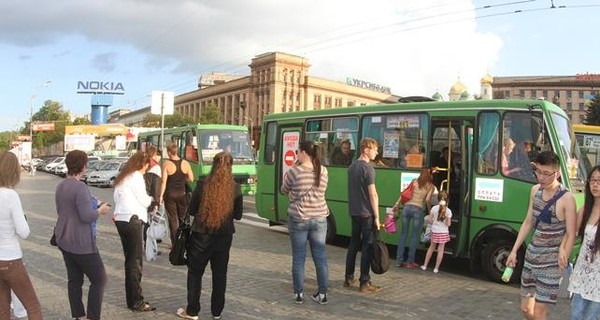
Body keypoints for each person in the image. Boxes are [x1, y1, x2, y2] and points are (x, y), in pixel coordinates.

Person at [506, 151, 576, 320]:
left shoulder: (567, 198)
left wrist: (563, 251)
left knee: (539, 313)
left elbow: (572, 232)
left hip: (551, 264)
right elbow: (528, 222)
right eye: (538, 172)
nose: (541, 177)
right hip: (531, 258)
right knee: (525, 309)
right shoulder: (534, 190)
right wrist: (514, 250)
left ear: (557, 173)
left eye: (547, 174)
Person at [176, 152, 243, 320]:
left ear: (213, 165)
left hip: (201, 235)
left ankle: (192, 311)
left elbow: (191, 210)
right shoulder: (235, 187)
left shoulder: (203, 184)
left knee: (195, 273)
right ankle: (217, 311)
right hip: (224, 236)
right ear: (230, 166)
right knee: (220, 274)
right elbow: (238, 215)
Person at [54, 150, 110, 320]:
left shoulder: (61, 185)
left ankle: (79, 315)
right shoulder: (80, 187)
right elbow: (86, 216)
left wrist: (91, 203)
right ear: (83, 166)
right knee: (100, 279)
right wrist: (100, 210)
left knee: (74, 280)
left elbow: (65, 210)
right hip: (82, 242)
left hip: (64, 239)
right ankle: (93, 316)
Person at [281, 141, 329, 305]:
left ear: (303, 153)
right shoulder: (323, 170)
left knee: (299, 257)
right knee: (320, 258)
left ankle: (299, 294)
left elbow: (284, 189)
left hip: (299, 218)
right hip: (320, 218)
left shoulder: (295, 171)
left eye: (297, 151)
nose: (296, 154)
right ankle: (322, 294)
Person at [0, 151, 43, 320]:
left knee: (2, 308)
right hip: (11, 259)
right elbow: (24, 232)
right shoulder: (11, 196)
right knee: (33, 307)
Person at [113, 151, 155, 312]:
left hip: (121, 219)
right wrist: (152, 200)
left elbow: (117, 198)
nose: (147, 169)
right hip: (133, 220)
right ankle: (137, 301)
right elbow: (144, 200)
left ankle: (132, 299)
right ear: (142, 164)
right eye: (147, 165)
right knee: (135, 263)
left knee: (129, 261)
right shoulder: (136, 176)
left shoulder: (123, 176)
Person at [344, 137, 382, 293]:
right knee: (367, 247)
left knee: (353, 245)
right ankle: (364, 282)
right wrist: (377, 217)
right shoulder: (368, 169)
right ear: (366, 150)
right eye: (374, 149)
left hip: (354, 212)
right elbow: (373, 195)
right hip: (366, 214)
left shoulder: (352, 167)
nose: (377, 152)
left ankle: (348, 276)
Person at [567, 165, 600, 320]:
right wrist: (562, 251)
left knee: (591, 317)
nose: (595, 184)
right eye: (592, 180)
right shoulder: (584, 210)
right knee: (576, 315)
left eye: (599, 181)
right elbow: (570, 234)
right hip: (582, 273)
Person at [393, 168, 435, 268]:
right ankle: (410, 262)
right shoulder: (430, 186)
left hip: (406, 208)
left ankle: (398, 261)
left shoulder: (414, 182)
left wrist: (397, 204)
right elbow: (428, 200)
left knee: (403, 234)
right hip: (418, 209)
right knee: (414, 236)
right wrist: (429, 211)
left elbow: (404, 193)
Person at [160, 143, 195, 245]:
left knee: (172, 219)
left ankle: (175, 244)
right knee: (183, 218)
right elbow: (191, 178)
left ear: (169, 152)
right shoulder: (185, 163)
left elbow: (163, 182)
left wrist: (161, 196)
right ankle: (185, 241)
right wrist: (183, 180)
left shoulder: (166, 164)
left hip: (170, 194)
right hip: (182, 194)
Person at [420, 191, 452, 273]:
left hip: (434, 231)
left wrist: (434, 221)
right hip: (443, 232)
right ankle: (436, 268)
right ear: (447, 200)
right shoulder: (448, 211)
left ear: (437, 199)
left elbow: (430, 220)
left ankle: (425, 265)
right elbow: (448, 224)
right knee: (440, 250)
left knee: (431, 248)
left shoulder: (434, 208)